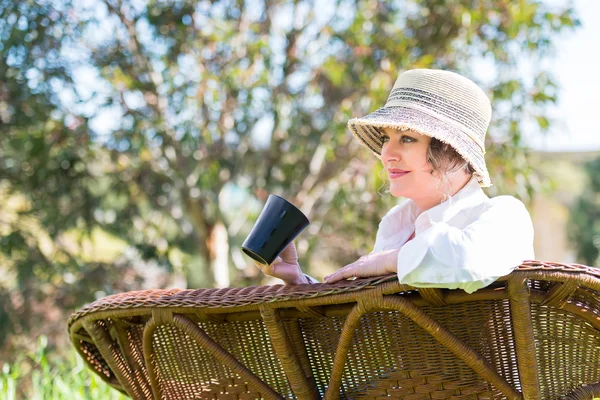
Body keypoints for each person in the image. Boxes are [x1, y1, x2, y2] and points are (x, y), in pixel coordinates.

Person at [254, 68, 535, 294]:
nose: (387, 153)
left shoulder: (504, 215)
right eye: (387, 138)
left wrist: (387, 261)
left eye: (407, 138)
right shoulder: (395, 225)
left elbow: (467, 261)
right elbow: (367, 324)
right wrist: (299, 281)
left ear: (452, 150)